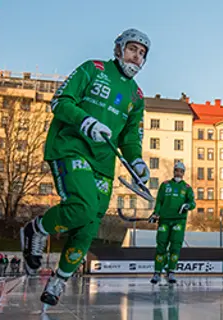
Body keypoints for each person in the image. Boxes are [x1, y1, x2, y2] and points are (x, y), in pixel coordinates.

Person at [20, 28, 151, 308]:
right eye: (132, 49)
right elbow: (60, 101)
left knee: (89, 225)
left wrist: (137, 161)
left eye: (142, 53)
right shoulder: (94, 68)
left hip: (103, 163)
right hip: (72, 147)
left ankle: (59, 280)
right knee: (82, 206)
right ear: (118, 49)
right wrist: (85, 122)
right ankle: (37, 230)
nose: (137, 57)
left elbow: (130, 137)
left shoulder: (137, 96)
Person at [149, 162, 195, 285]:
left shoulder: (187, 188)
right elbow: (159, 201)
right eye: (176, 170)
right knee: (161, 246)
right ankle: (157, 272)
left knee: (175, 247)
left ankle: (171, 272)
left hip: (179, 221)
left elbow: (193, 203)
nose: (178, 173)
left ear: (184, 173)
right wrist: (155, 213)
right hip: (164, 220)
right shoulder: (165, 185)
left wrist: (187, 205)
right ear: (173, 171)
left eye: (181, 171)